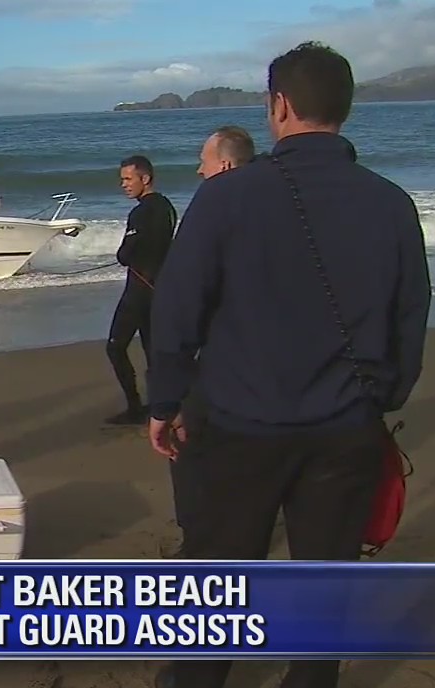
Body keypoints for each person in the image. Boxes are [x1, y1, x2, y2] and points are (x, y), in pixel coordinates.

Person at [145, 42, 431, 688]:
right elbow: (409, 320)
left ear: (279, 106)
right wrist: (381, 398)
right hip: (346, 427)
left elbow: (178, 310)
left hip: (243, 423)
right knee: (325, 575)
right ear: (343, 107)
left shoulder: (226, 199)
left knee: (220, 570)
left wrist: (164, 401)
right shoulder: (392, 205)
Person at [164, 126, 258, 559]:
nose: (198, 171)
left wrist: (167, 397)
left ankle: (199, 546)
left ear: (223, 164)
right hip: (277, 366)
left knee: (187, 448)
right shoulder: (284, 201)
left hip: (224, 364)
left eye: (203, 162)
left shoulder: (214, 205)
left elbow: (186, 300)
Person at [104, 155, 178, 425]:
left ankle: (135, 408)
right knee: (152, 350)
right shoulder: (168, 207)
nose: (123, 184)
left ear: (144, 179)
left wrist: (125, 252)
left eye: (127, 179)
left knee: (115, 347)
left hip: (139, 290)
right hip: (160, 288)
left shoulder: (141, 211)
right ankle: (163, 406)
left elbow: (125, 254)